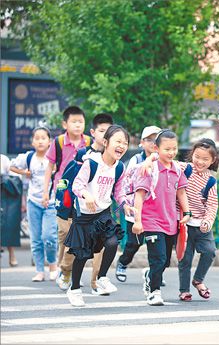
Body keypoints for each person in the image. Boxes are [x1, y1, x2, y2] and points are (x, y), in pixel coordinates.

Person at [64, 125, 135, 307]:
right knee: (82, 254)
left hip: (103, 213)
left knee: (112, 242)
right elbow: (77, 185)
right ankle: (74, 289)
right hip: (84, 216)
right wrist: (87, 195)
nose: (122, 146)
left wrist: (125, 205)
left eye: (125, 143)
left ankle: (102, 278)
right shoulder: (92, 163)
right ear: (105, 142)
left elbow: (118, 191)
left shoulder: (119, 167)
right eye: (118, 141)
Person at [132, 129, 191, 306]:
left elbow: (181, 192)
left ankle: (150, 276)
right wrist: (137, 220)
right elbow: (139, 195)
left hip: (170, 221)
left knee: (164, 260)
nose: (171, 152)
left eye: (174, 148)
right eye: (167, 149)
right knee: (157, 258)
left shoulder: (177, 170)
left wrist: (187, 213)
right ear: (156, 148)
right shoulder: (149, 169)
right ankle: (154, 292)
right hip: (151, 221)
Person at [42, 106, 91, 291]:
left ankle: (70, 270)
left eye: (81, 122)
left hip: (82, 194)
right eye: (74, 122)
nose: (78, 125)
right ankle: (65, 268)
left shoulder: (89, 142)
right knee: (64, 233)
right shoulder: (59, 142)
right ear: (65, 124)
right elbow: (50, 167)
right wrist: (46, 191)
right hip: (63, 194)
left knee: (78, 233)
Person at [10, 127, 58, 281]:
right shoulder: (29, 157)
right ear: (32, 142)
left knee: (49, 236)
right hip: (33, 202)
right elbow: (11, 166)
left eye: (43, 138)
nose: (40, 141)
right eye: (37, 138)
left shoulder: (54, 158)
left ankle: (52, 265)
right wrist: (25, 173)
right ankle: (39, 271)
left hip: (50, 203)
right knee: (36, 238)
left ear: (50, 142)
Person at [115, 125, 161, 283]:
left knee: (156, 245)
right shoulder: (136, 159)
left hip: (155, 211)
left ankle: (154, 273)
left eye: (156, 139)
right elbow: (128, 182)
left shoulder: (164, 160)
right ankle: (122, 262)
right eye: (149, 139)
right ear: (142, 142)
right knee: (135, 242)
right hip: (137, 209)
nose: (153, 143)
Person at [177, 138, 219, 302]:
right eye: (197, 156)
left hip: (202, 225)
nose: (200, 162)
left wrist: (208, 221)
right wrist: (151, 159)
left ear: (212, 160)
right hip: (183, 224)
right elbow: (166, 162)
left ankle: (198, 280)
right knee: (185, 258)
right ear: (192, 154)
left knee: (209, 251)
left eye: (205, 159)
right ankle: (184, 290)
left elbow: (212, 204)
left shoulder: (211, 180)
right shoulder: (185, 168)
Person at [82, 113, 114, 296]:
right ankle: (68, 272)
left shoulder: (115, 159)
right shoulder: (85, 155)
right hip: (84, 209)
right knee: (81, 248)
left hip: (103, 210)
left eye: (108, 132)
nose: (104, 136)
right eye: (102, 131)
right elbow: (75, 182)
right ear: (94, 132)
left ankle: (96, 281)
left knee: (104, 244)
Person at [0, 154, 22, 267]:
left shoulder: (3, 159)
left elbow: (14, 178)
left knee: (8, 225)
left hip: (4, 198)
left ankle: (12, 254)